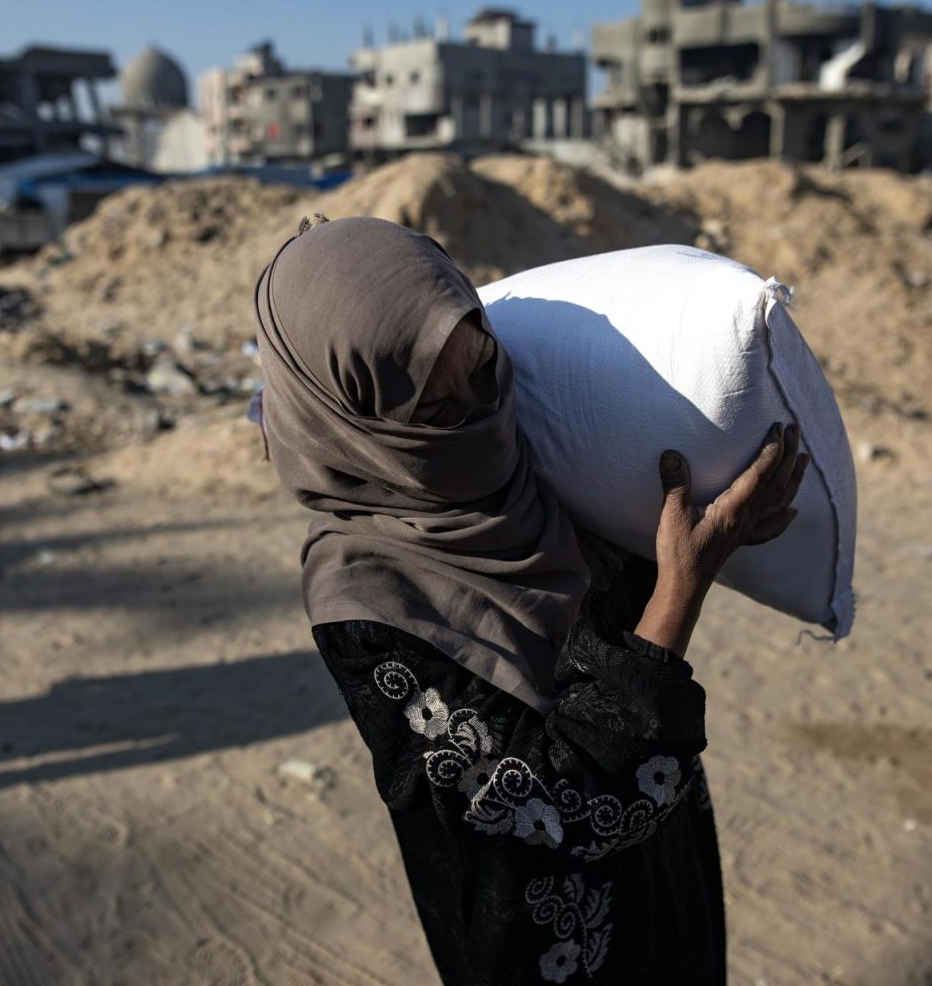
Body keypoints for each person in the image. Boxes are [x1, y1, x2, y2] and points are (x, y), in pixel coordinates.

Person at [251, 215, 808, 984]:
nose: (474, 412)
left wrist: (719, 531)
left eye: (476, 366)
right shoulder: (365, 601)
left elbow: (626, 593)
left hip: (662, 874)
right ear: (352, 416)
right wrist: (684, 589)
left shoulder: (536, 451)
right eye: (431, 408)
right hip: (540, 945)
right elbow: (555, 809)